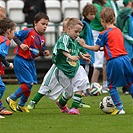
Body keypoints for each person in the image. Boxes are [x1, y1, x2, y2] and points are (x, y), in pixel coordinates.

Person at [28, 18, 91, 115]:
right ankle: (60, 103)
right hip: (62, 68)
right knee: (67, 92)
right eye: (76, 31)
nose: (78, 34)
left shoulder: (75, 39)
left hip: (74, 67)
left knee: (81, 81)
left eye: (79, 32)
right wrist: (69, 56)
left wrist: (83, 57)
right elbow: (61, 48)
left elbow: (76, 50)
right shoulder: (64, 38)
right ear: (68, 29)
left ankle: (74, 107)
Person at [78, 7, 133, 115]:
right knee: (130, 83)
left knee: (111, 86)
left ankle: (120, 108)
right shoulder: (118, 31)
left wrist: (84, 45)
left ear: (102, 20)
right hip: (126, 59)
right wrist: (106, 48)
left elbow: (96, 48)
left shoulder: (103, 33)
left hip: (114, 61)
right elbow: (114, 46)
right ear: (114, 19)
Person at [6, 12, 50, 113]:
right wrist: (21, 45)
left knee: (30, 84)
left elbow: (37, 52)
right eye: (43, 24)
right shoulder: (28, 31)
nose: (45, 27)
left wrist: (44, 53)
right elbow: (14, 36)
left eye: (46, 25)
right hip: (21, 59)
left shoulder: (43, 38)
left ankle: (21, 105)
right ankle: (12, 98)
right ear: (35, 23)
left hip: (30, 62)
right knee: (28, 83)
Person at [90, 0, 109, 93]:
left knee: (105, 61)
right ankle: (93, 86)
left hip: (102, 33)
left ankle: (105, 85)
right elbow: (102, 19)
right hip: (96, 33)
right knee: (98, 62)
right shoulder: (96, 7)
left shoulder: (100, 6)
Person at [79, 4, 97, 95]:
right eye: (91, 14)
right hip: (85, 54)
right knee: (85, 73)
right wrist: (83, 51)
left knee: (89, 71)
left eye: (94, 14)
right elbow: (80, 38)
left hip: (90, 53)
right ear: (85, 14)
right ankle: (83, 91)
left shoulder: (88, 25)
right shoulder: (84, 25)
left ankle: (85, 90)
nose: (93, 16)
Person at [0, 18, 16, 118]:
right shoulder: (5, 41)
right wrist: (7, 64)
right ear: (8, 31)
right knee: (1, 87)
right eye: (14, 31)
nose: (15, 33)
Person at [116, 0, 133, 94]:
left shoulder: (119, 14)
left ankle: (126, 88)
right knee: (129, 68)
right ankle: (126, 88)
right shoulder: (129, 17)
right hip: (129, 45)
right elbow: (125, 32)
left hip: (124, 43)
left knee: (128, 67)